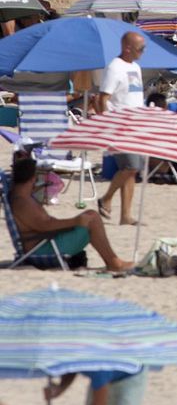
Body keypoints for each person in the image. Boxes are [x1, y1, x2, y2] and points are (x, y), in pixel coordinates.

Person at [7, 154, 131, 272]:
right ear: (32, 178)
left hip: (44, 242)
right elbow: (45, 225)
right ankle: (114, 263)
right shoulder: (23, 203)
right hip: (42, 248)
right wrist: (76, 221)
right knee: (92, 219)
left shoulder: (21, 197)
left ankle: (113, 262)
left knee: (90, 214)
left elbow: (42, 224)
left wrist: (76, 222)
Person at [92, 32, 146, 225]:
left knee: (131, 171)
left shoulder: (136, 67)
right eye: (140, 48)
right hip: (119, 125)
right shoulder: (115, 67)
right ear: (127, 48)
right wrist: (106, 124)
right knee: (131, 166)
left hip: (135, 125)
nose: (143, 52)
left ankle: (125, 215)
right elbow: (102, 98)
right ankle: (106, 198)